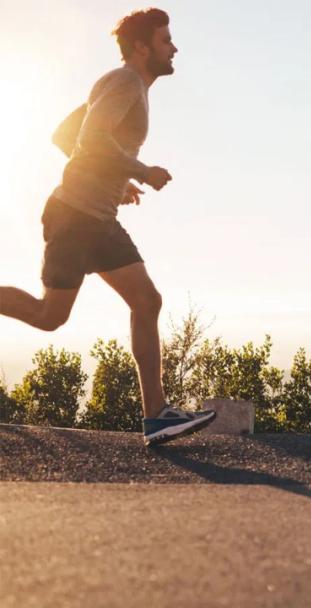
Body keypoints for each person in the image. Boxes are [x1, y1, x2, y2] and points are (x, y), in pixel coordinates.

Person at [0, 8, 215, 446]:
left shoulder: (122, 83)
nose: (174, 48)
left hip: (97, 217)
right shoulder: (126, 82)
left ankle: (156, 415)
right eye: (165, 39)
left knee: (146, 300)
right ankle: (156, 415)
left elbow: (65, 135)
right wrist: (140, 171)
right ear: (142, 46)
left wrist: (115, 185)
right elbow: (91, 139)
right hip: (76, 217)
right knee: (49, 316)